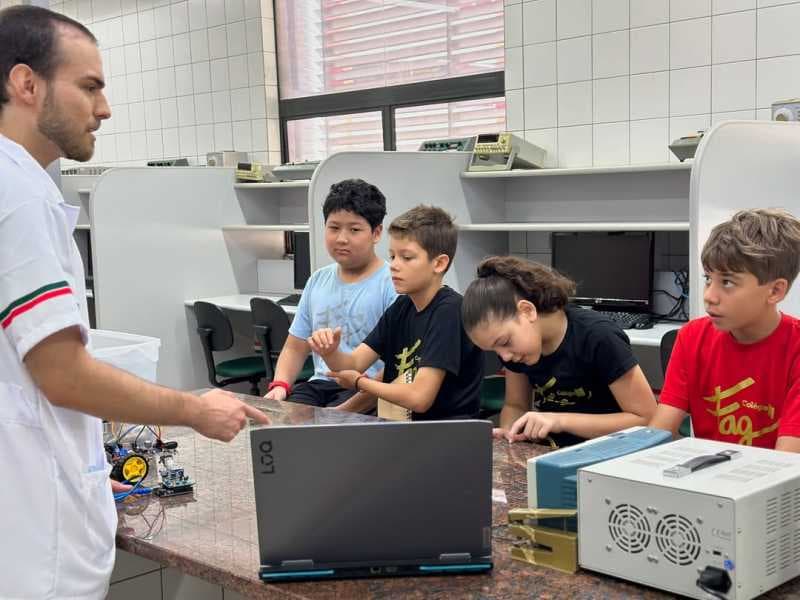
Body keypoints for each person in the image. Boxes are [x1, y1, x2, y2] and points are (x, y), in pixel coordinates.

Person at [0, 7, 268, 599]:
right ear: (26, 84)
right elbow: (63, 376)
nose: (105, 108)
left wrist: (87, 478)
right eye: (89, 86)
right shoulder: (18, 198)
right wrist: (196, 410)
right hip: (33, 547)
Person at [309, 205, 484, 420]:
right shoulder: (402, 306)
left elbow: (420, 398)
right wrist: (330, 352)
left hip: (445, 433)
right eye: (392, 257)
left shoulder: (450, 312)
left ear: (439, 263)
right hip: (403, 429)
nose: (394, 266)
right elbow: (353, 364)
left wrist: (360, 382)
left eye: (407, 258)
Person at [461, 256, 657, 447]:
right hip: (550, 451)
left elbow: (647, 419)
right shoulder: (517, 351)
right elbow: (515, 406)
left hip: (608, 455)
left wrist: (559, 421)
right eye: (494, 349)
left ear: (528, 311)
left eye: (504, 342)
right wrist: (511, 433)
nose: (504, 356)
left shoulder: (597, 337)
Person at [650, 208, 800, 451]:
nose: (709, 296)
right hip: (710, 478)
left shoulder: (795, 347)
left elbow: (788, 463)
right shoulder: (692, 337)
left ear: (775, 291)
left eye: (727, 282)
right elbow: (659, 431)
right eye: (708, 278)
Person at [264, 178, 396, 408]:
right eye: (334, 228)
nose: (341, 238)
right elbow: (295, 346)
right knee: (282, 425)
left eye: (354, 230)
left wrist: (343, 410)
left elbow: (395, 371)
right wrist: (280, 386)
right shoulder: (317, 280)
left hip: (365, 390)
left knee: (323, 436)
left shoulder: (393, 284)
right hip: (319, 386)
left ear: (376, 233)